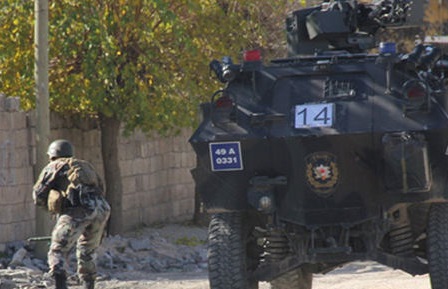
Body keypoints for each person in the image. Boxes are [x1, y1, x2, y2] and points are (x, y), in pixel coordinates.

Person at [32, 139, 111, 289]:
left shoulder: (54, 166)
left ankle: (60, 285)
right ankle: (89, 284)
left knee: (57, 250)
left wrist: (52, 208)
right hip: (101, 208)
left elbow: (38, 194)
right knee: (87, 250)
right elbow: (101, 187)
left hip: (77, 210)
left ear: (52, 155)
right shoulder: (85, 165)